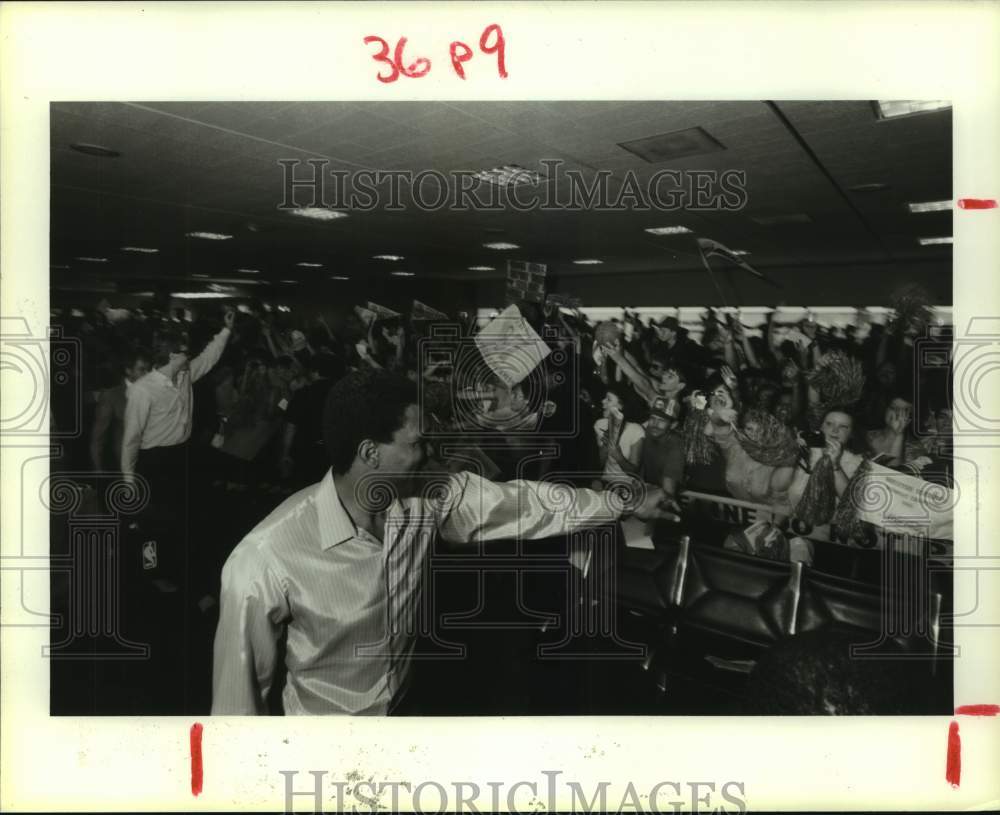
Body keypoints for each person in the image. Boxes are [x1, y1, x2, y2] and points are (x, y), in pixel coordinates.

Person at [211, 368, 679, 715]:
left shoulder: (425, 500)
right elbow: (236, 708)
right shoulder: (265, 557)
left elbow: (529, 503)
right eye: (417, 443)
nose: (431, 453)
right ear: (371, 453)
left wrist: (626, 498)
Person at [89, 347, 151, 472]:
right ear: (128, 370)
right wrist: (99, 471)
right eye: (142, 370)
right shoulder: (112, 396)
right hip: (124, 465)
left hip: (151, 460)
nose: (147, 374)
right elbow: (98, 438)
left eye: (148, 370)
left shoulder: (153, 391)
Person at [594, 384, 645, 485]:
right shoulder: (600, 424)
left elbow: (633, 471)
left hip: (626, 484)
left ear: (620, 406)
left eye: (608, 399)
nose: (603, 401)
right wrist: (606, 442)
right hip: (605, 481)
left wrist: (618, 456)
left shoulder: (636, 431)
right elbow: (600, 463)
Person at [641, 396, 685, 504]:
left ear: (673, 425)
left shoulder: (676, 446)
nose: (655, 425)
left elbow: (667, 493)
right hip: (642, 492)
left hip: (658, 504)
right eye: (652, 418)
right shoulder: (645, 433)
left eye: (661, 421)